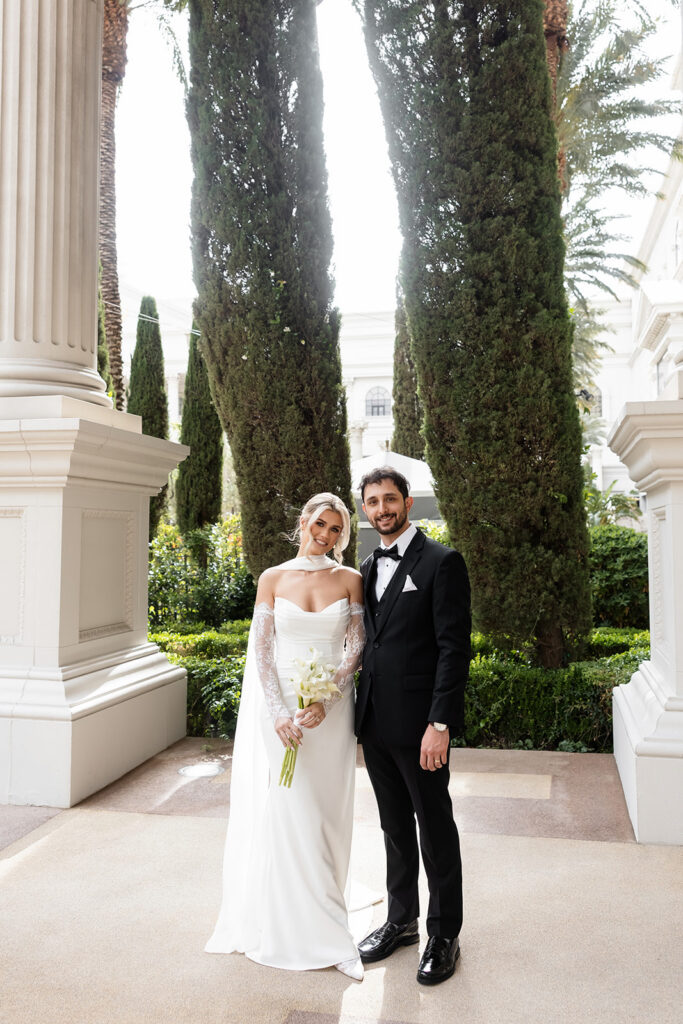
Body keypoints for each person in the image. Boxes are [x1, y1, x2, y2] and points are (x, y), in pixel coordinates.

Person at [205, 493, 366, 981]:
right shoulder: (271, 578)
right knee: (290, 810)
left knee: (324, 809)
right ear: (303, 522)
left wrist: (328, 699)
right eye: (321, 523)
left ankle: (328, 909)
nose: (327, 534)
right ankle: (308, 927)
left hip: (329, 711)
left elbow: (356, 645)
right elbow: (262, 652)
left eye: (337, 529)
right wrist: (278, 714)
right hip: (281, 712)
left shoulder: (351, 579)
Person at [355, 467, 471, 986]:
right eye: (373, 501)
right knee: (394, 827)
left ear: (408, 502)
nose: (382, 508)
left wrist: (440, 722)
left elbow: (454, 649)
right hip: (374, 720)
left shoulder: (442, 562)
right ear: (365, 509)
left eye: (390, 499)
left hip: (423, 725)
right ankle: (400, 920)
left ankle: (443, 934)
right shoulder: (363, 566)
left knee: (435, 827)